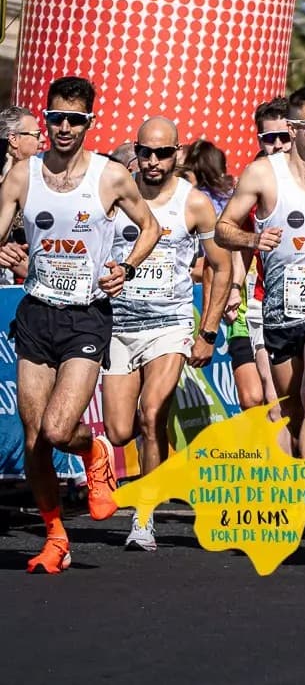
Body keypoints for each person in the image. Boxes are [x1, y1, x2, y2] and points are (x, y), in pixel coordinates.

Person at [0, 76, 160, 573]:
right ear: (46, 121)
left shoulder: (110, 177)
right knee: (33, 438)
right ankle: (55, 537)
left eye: (75, 120)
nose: (64, 128)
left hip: (86, 317)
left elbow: (151, 226)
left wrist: (127, 267)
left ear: (89, 123)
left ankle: (95, 452)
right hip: (36, 314)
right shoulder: (25, 174)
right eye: (56, 119)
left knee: (57, 427)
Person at [217, 87, 305, 539]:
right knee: (293, 406)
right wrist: (250, 241)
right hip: (280, 306)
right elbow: (224, 229)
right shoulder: (263, 174)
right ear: (294, 129)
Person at [106, 116, 232, 549]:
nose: (154, 161)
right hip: (118, 327)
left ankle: (144, 517)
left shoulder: (193, 203)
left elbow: (221, 265)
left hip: (169, 324)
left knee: (152, 411)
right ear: (135, 153)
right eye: (146, 152)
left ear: (177, 154)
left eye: (163, 152)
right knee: (121, 431)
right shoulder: (117, 195)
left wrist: (209, 331)